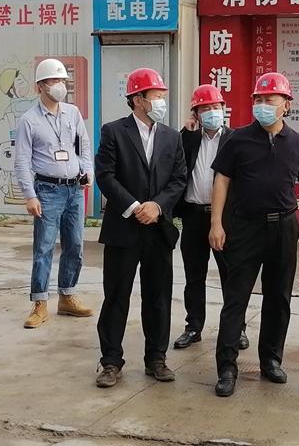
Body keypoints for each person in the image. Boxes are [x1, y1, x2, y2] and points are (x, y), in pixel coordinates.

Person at [209, 71, 299, 397]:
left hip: (284, 228)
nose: (261, 104)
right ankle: (227, 367)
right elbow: (221, 181)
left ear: (286, 104)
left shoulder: (298, 143)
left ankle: (271, 359)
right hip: (245, 227)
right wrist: (216, 223)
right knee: (236, 298)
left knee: (279, 297)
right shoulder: (237, 140)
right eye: (257, 99)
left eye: (268, 99)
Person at [94, 68, 187, 388]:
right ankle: (110, 361)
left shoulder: (172, 137)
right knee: (116, 296)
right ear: (137, 99)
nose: (161, 102)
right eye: (156, 96)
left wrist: (157, 206)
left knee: (158, 296)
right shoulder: (113, 132)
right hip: (124, 228)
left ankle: (156, 358)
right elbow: (105, 175)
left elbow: (179, 179)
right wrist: (135, 207)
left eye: (162, 96)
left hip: (158, 229)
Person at [14, 58, 94, 329]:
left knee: (75, 245)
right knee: (44, 247)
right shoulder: (29, 121)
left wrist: (87, 171)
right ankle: (39, 302)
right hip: (47, 190)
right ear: (40, 86)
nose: (59, 85)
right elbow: (22, 161)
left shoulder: (72, 113)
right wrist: (30, 195)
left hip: (74, 189)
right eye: (53, 81)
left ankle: (67, 296)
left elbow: (84, 145)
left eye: (62, 81)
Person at [172, 85, 249, 351]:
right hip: (193, 216)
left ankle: (237, 328)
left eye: (216, 107)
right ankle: (193, 326)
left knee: (231, 275)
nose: (212, 112)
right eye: (205, 108)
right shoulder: (188, 139)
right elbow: (174, 163)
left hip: (226, 219)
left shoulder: (236, 140)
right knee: (194, 276)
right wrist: (185, 132)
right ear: (196, 113)